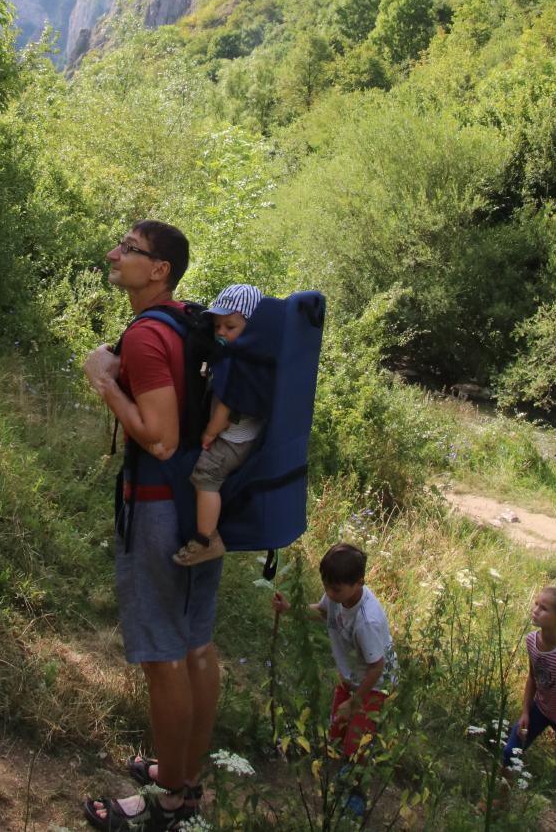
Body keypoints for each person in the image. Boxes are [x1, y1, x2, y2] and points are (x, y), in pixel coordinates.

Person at [82, 221, 222, 831]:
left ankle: (168, 804)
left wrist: (105, 382)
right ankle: (185, 779)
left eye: (129, 250)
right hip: (203, 506)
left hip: (161, 506)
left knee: (164, 656)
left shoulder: (144, 337)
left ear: (158, 269)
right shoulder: (187, 321)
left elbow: (160, 439)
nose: (115, 254)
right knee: (195, 643)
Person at [272, 542, 397, 761]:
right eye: (326, 586)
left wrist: (355, 702)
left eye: (335, 589)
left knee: (355, 747)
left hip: (373, 687)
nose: (329, 593)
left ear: (359, 582)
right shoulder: (336, 597)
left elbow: (377, 667)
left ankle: (353, 786)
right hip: (350, 679)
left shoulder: (367, 622)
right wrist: (290, 609)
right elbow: (321, 612)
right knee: (335, 736)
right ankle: (333, 775)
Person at [173, 282, 264, 568]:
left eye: (231, 326)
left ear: (252, 326)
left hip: (231, 438)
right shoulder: (251, 358)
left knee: (205, 477)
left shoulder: (240, 363)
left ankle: (207, 539)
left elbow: (225, 408)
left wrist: (209, 433)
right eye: (217, 327)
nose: (221, 332)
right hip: (242, 435)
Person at [500, 585, 556, 831]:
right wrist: (526, 711)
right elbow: (532, 678)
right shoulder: (532, 641)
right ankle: (501, 802)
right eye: (536, 604)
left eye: (543, 608)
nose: (535, 610)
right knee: (510, 752)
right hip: (541, 709)